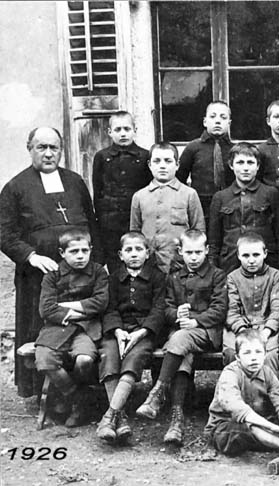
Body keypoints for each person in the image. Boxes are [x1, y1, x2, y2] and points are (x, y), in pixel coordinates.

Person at [0, 126, 100, 398]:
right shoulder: (15, 187)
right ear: (29, 149)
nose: (48, 153)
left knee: (83, 327)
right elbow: (4, 233)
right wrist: (31, 256)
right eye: (41, 147)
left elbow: (92, 223)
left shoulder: (75, 181)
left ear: (61, 150)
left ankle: (87, 386)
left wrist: (98, 262)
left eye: (53, 148)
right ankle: (48, 390)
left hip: (80, 272)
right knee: (42, 329)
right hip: (38, 276)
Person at [136, 230, 227, 446]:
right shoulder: (174, 277)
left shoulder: (216, 275)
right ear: (180, 252)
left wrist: (196, 320)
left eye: (198, 252)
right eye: (189, 252)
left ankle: (157, 393)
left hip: (206, 332)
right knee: (182, 354)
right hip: (181, 334)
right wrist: (177, 313)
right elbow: (165, 308)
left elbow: (219, 309)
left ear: (206, 250)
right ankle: (176, 421)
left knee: (178, 340)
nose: (193, 257)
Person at [204, 330, 279, 478]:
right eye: (247, 353)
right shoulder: (230, 373)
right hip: (228, 429)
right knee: (247, 424)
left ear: (265, 354)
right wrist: (273, 427)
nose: (253, 358)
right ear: (238, 357)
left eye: (258, 352)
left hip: (262, 426)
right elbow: (238, 409)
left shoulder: (267, 373)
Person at [96, 232, 166, 443]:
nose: (134, 254)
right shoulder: (113, 279)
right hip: (118, 331)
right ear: (120, 255)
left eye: (138, 249)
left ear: (147, 253)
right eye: (128, 250)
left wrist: (142, 332)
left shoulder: (157, 277)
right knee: (108, 354)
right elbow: (109, 309)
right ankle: (121, 418)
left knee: (135, 357)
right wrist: (118, 331)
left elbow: (159, 309)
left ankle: (110, 416)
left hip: (144, 332)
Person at [35, 229, 109, 427]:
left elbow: (100, 302)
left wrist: (64, 306)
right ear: (62, 253)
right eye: (74, 251)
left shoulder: (98, 272)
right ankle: (78, 398)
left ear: (91, 249)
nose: (80, 256)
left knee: (85, 360)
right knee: (45, 361)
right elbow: (46, 309)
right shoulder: (52, 275)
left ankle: (77, 402)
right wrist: (83, 310)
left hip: (87, 328)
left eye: (85, 250)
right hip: (56, 328)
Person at [208, 142, 279, 272]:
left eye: (250, 163)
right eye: (240, 163)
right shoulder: (220, 197)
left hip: (265, 264)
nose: (245, 168)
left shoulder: (270, 193)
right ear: (231, 165)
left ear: (258, 166)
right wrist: (214, 270)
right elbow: (214, 242)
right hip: (230, 264)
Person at [130, 142, 205, 274]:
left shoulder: (189, 194)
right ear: (150, 165)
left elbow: (199, 231)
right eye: (157, 161)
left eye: (168, 161)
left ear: (177, 165)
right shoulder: (139, 196)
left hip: (179, 266)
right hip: (149, 267)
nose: (162, 166)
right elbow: (134, 234)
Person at [92, 111, 152, 272]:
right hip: (110, 223)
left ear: (135, 130)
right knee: (115, 262)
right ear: (109, 132)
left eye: (127, 129)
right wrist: (101, 219)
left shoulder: (144, 156)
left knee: (138, 258)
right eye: (118, 130)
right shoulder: (102, 157)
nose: (123, 133)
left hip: (136, 220)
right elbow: (98, 192)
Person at [224, 232, 279, 370]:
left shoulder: (276, 276)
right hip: (239, 327)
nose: (251, 260)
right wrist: (243, 331)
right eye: (246, 255)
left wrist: (266, 332)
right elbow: (231, 310)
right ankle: (236, 382)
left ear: (265, 254)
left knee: (269, 355)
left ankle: (267, 383)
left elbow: (277, 310)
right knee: (232, 352)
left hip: (266, 327)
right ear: (238, 255)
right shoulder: (232, 278)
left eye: (256, 255)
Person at [176, 100, 234, 223]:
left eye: (223, 117)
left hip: (229, 204)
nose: (217, 121)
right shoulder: (193, 147)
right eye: (213, 116)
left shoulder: (234, 150)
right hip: (200, 204)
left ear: (229, 123)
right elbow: (180, 179)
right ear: (205, 121)